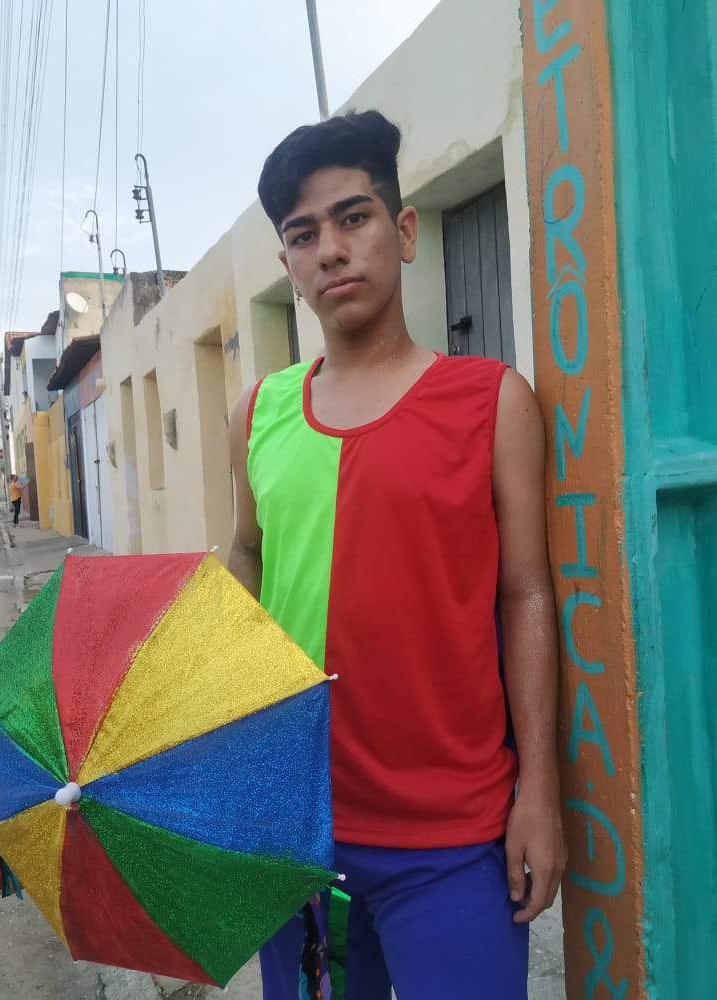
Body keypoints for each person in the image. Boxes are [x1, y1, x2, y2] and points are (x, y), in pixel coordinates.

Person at [228, 110, 566, 1000]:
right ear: (288, 265)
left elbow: (527, 595)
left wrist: (540, 789)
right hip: (298, 837)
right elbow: (246, 558)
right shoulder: (258, 414)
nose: (331, 250)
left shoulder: (491, 401)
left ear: (405, 231)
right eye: (304, 234)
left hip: (450, 840)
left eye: (354, 217)